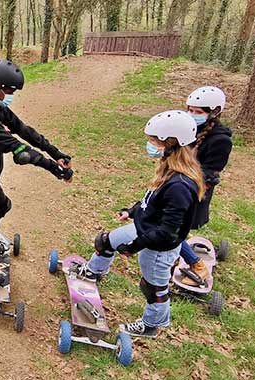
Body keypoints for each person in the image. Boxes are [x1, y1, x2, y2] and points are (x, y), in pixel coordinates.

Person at [73, 111, 205, 338]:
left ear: (171, 143)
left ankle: (152, 325)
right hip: (144, 230)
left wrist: (134, 246)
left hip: (158, 247)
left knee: (153, 289)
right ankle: (94, 272)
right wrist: (132, 211)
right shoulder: (169, 170)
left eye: (155, 140)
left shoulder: (180, 186)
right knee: (105, 242)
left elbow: (167, 231)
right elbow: (151, 202)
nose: (150, 145)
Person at [0, 59, 73, 292]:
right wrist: (55, 170)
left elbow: (23, 130)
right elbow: (20, 149)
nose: (11, 95)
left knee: (1, 206)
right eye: (9, 90)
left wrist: (56, 153)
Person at [176, 87, 233, 286]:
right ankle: (178, 255)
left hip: (193, 188)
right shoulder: (189, 129)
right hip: (176, 184)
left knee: (174, 229)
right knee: (171, 226)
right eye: (190, 110)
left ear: (214, 112)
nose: (192, 115)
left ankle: (196, 264)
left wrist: (185, 181)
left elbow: (211, 170)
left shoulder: (220, 140)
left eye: (198, 112)